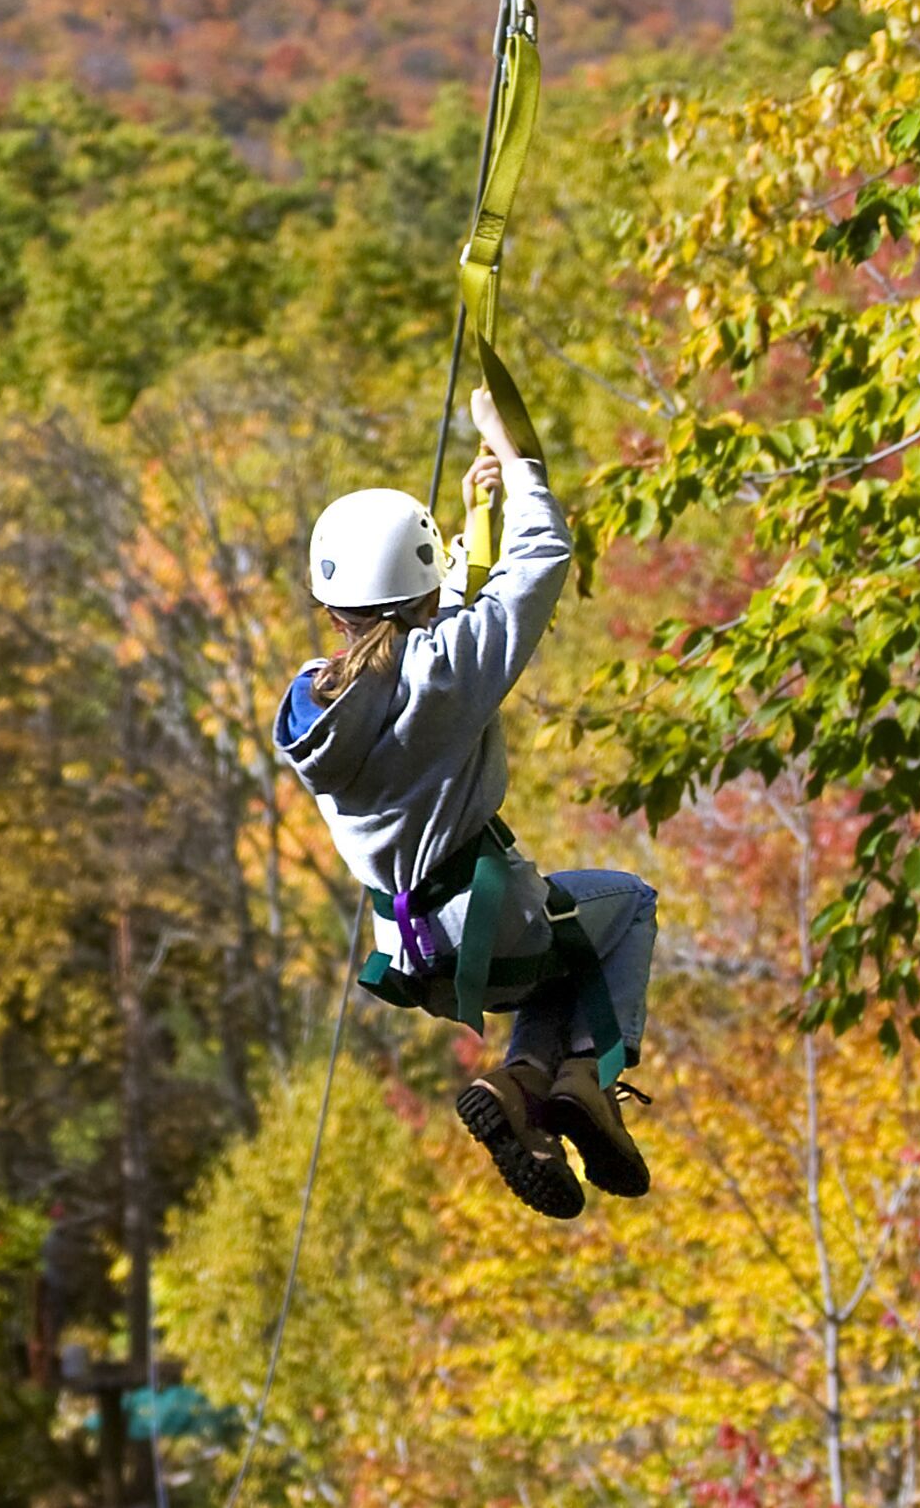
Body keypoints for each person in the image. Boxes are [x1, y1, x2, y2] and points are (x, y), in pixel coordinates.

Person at [273, 388, 657, 1220]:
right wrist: (519, 464)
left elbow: (412, 647)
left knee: (562, 960)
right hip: (490, 922)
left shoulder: (314, 700)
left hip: (408, 949)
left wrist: (471, 525)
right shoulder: (446, 670)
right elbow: (541, 563)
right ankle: (587, 1083)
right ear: (422, 592)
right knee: (625, 903)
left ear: (329, 607)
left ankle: (524, 1089)